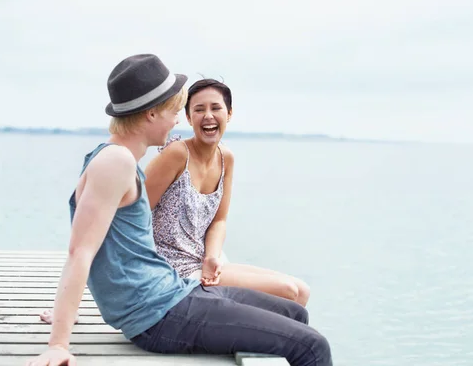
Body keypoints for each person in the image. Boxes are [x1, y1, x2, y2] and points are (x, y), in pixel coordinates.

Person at [25, 54, 332, 366]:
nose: (176, 121)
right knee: (312, 347)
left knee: (295, 311)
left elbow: (110, 247)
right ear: (151, 113)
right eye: (174, 111)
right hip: (159, 315)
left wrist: (68, 310)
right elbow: (81, 251)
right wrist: (59, 344)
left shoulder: (116, 160)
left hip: (177, 291)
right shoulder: (115, 162)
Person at [145, 78, 311, 306]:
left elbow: (219, 220)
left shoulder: (226, 158)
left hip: (204, 260)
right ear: (188, 117)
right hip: (173, 268)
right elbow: (135, 214)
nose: (208, 116)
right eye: (199, 109)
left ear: (229, 114)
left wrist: (212, 257)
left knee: (302, 290)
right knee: (288, 291)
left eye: (216, 108)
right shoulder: (176, 154)